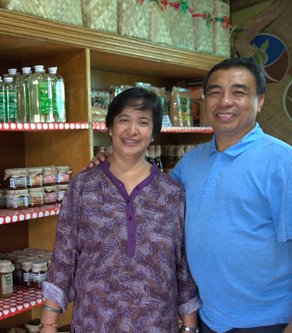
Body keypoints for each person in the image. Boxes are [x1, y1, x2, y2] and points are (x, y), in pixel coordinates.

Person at [91, 58, 292, 332]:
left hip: (268, 322)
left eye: (239, 92)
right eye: (216, 92)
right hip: (208, 317)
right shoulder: (192, 161)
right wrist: (110, 164)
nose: (225, 101)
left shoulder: (282, 163)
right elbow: (147, 199)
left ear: (259, 102)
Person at [40, 87, 201, 333]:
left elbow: (182, 266)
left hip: (157, 324)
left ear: (154, 132)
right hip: (94, 322)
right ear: (109, 127)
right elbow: (63, 258)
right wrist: (48, 323)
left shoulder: (171, 193)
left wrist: (190, 327)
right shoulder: (83, 186)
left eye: (143, 122)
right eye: (123, 120)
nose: (132, 131)